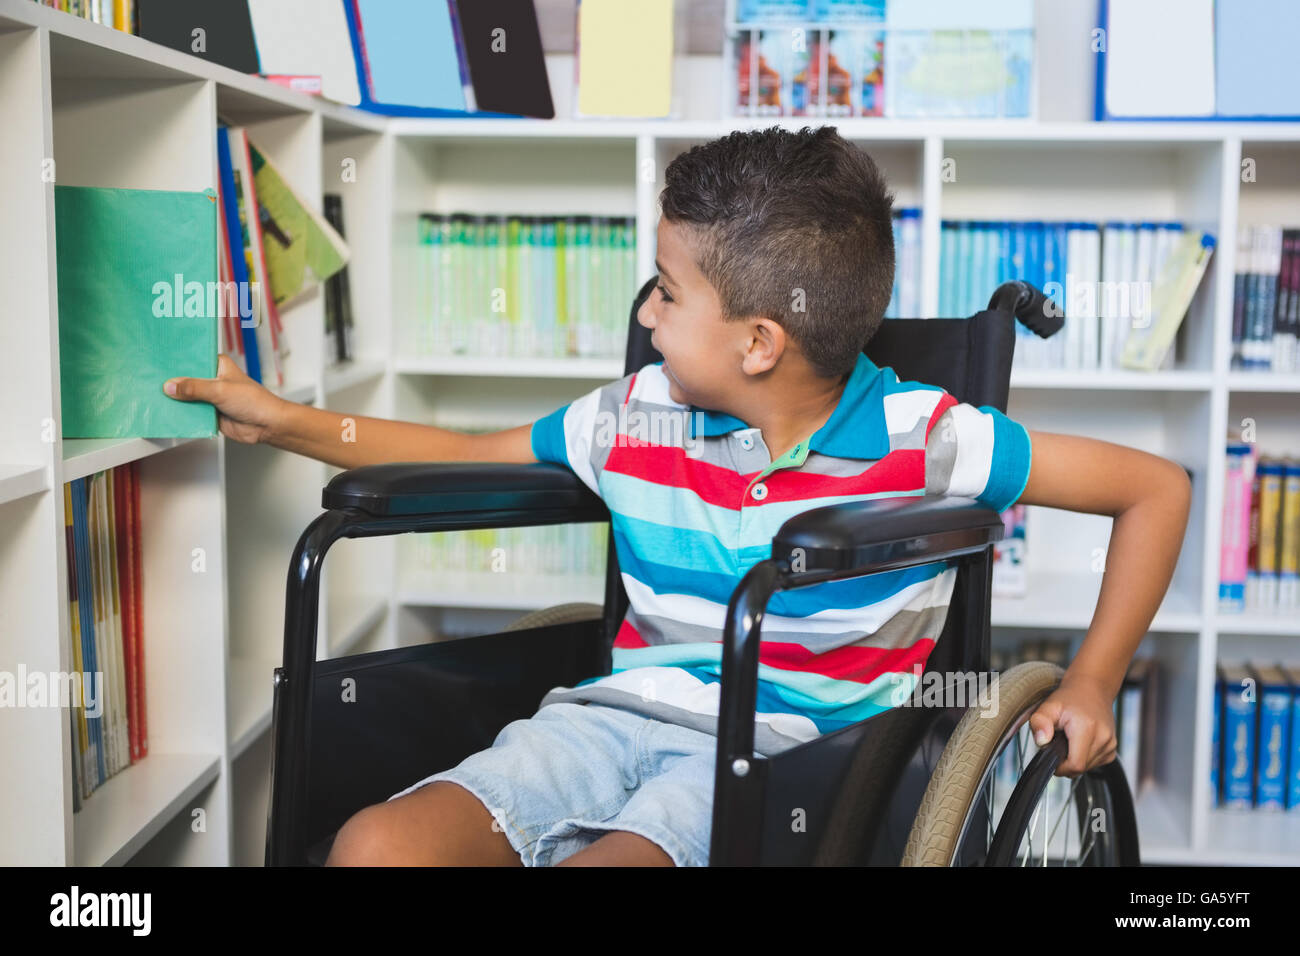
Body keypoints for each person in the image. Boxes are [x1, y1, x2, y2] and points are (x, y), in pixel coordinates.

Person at [164, 126, 1191, 867]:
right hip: (607, 716)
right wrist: (286, 419)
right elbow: (464, 446)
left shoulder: (925, 436)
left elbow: (1154, 487)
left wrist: (1093, 681)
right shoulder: (639, 410)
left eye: (665, 287)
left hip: (785, 746)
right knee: (375, 844)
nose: (645, 312)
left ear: (756, 341)